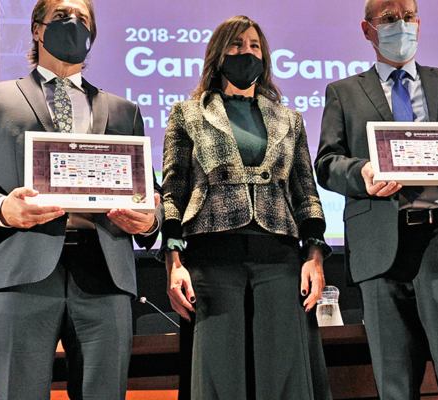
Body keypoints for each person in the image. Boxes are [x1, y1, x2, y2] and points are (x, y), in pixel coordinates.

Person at [0, 0, 164, 398]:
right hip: (21, 274)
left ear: (92, 36)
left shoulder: (124, 110)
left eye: (83, 19)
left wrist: (152, 220)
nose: (74, 24)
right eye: (62, 16)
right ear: (37, 30)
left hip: (105, 276)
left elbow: (148, 192)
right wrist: (0, 207)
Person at [315, 0, 438, 398]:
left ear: (419, 22)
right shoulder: (343, 92)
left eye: (408, 16)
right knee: (394, 380)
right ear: (368, 30)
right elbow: (327, 163)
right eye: (389, 19)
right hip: (380, 244)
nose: (402, 25)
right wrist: (361, 174)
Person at [160, 15, 332, 400]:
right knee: (219, 379)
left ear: (265, 57)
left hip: (280, 259)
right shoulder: (187, 114)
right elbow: (173, 194)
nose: (245, 52)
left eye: (254, 46)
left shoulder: (290, 119)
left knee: (282, 376)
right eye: (236, 45)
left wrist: (315, 258)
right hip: (211, 257)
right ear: (218, 55)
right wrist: (173, 263)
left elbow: (307, 194)